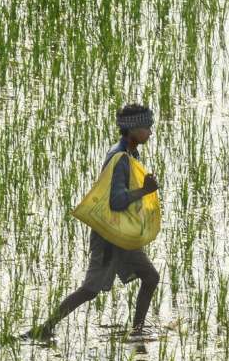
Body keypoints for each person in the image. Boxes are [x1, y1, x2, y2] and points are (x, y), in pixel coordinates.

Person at [24, 103, 161, 341]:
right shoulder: (119, 158)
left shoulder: (129, 154)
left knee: (150, 277)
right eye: (147, 127)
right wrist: (144, 191)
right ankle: (44, 328)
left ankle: (137, 333)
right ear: (132, 130)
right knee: (90, 289)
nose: (150, 131)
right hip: (109, 237)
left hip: (120, 234)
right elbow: (116, 202)